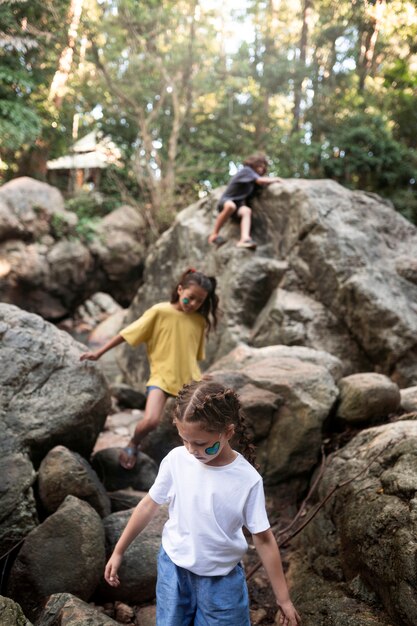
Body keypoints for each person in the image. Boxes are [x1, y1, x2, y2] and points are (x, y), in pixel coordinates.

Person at [104, 380, 301, 626]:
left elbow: (263, 538)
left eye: (201, 444)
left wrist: (283, 598)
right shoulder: (177, 460)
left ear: (228, 432)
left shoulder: (247, 480)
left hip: (222, 580)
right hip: (174, 570)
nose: (192, 450)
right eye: (185, 440)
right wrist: (119, 550)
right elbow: (147, 505)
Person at [80, 269, 219, 470]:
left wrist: (200, 376)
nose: (194, 304)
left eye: (200, 301)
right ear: (180, 290)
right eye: (190, 298)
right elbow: (127, 334)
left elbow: (191, 355)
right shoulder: (160, 312)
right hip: (161, 378)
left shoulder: (199, 321)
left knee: (198, 425)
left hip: (188, 380)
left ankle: (197, 465)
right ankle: (133, 443)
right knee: (152, 420)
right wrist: (98, 353)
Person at [208, 153, 283, 250]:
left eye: (263, 167)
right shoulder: (247, 171)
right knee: (231, 206)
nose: (261, 169)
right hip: (227, 201)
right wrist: (275, 179)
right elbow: (260, 181)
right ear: (253, 164)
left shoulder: (252, 180)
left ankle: (244, 239)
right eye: (259, 166)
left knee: (246, 211)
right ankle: (214, 234)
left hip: (238, 206)